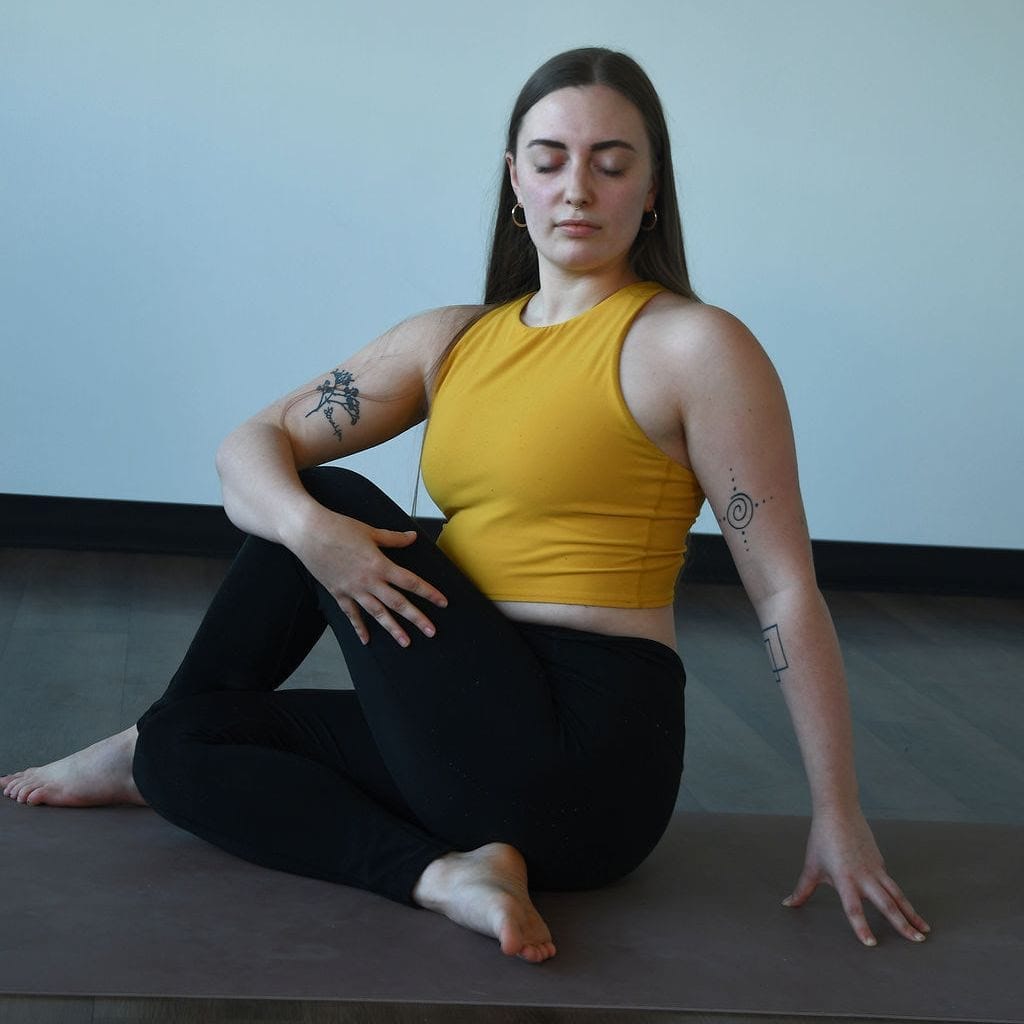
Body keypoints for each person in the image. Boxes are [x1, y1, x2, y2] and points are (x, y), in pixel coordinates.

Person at [2, 47, 929, 963]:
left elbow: (783, 591)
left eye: (612, 164)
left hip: (593, 753)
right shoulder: (450, 342)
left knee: (326, 490)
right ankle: (442, 873)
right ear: (513, 181)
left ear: (652, 190)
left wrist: (837, 813)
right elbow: (248, 446)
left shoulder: (693, 346)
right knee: (185, 743)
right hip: (458, 729)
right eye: (550, 159)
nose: (578, 189)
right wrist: (315, 539)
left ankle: (145, 752)